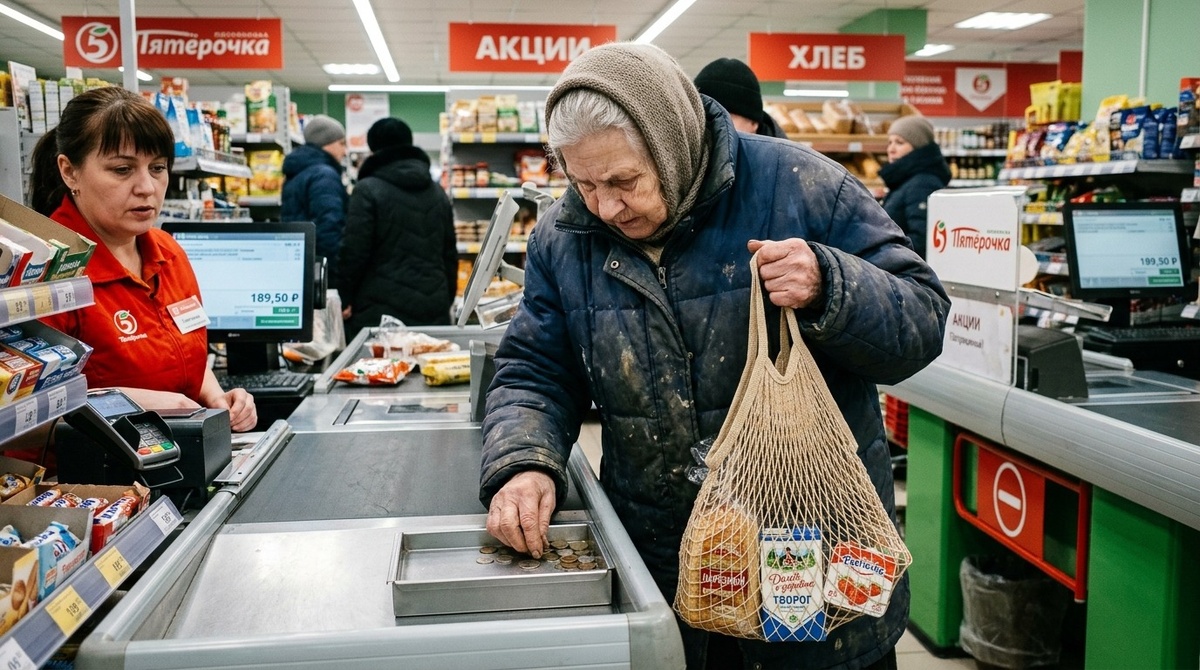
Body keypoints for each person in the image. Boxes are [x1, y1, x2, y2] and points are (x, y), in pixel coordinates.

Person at [479, 42, 948, 670]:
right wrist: (525, 462)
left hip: (812, 559)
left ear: (670, 145)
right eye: (583, 182)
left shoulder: (804, 185)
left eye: (623, 182)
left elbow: (922, 316)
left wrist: (830, 285)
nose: (605, 207)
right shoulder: (565, 235)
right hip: (672, 576)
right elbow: (535, 369)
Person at [29, 86, 256, 432]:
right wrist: (137, 403)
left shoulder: (168, 252)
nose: (147, 187)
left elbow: (188, 349)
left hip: (179, 457)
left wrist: (216, 397)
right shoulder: (46, 270)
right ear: (69, 171)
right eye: (122, 169)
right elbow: (27, 406)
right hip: (88, 478)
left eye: (158, 167)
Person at [338, 117, 457, 335]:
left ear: (374, 148)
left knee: (383, 369)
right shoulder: (437, 192)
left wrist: (344, 297)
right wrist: (444, 298)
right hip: (433, 306)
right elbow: (449, 253)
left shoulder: (367, 190)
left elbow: (354, 252)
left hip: (380, 312)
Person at [282, 114, 349, 287]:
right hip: (320, 272)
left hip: (298, 264)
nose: (345, 151)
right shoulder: (324, 176)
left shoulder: (297, 173)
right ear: (326, 143)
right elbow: (328, 230)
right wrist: (334, 282)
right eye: (341, 143)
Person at [879, 115, 951, 258]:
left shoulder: (923, 184)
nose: (891, 149)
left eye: (899, 143)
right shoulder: (903, 182)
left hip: (908, 275)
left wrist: (882, 252)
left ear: (918, 147)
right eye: (890, 142)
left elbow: (922, 240)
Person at [694, 57, 788, 138]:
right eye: (705, 115)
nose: (711, 125)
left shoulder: (785, 158)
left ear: (753, 123)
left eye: (725, 116)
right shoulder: (689, 155)